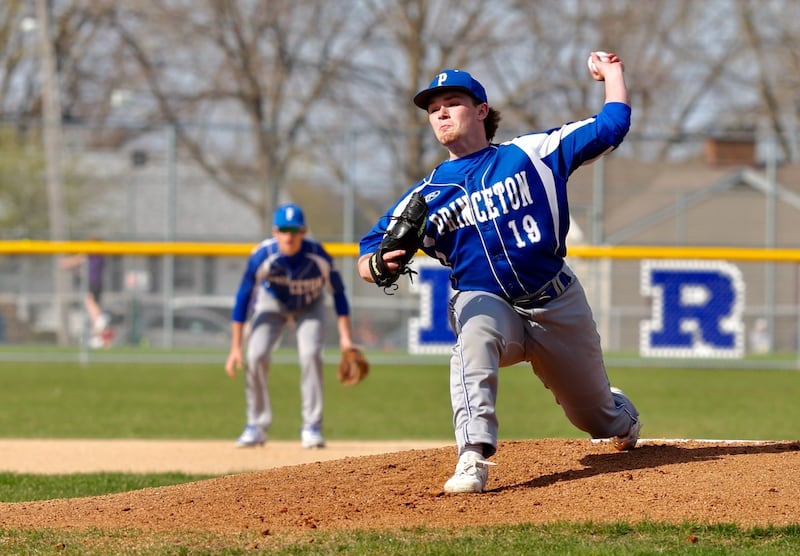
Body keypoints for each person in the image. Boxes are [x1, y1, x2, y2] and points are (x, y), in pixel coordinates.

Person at [357, 54, 641, 493]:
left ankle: (618, 412)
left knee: (597, 419)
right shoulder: (424, 195)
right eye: (434, 109)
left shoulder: (531, 155)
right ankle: (472, 456)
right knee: (472, 335)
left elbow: (611, 125)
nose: (442, 113)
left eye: (453, 102)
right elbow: (369, 253)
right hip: (485, 301)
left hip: (555, 302)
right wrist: (375, 266)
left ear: (482, 111)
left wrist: (614, 75)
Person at [225, 203, 356, 449]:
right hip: (271, 303)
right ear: (275, 232)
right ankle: (256, 425)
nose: (289, 236)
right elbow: (242, 299)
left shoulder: (318, 256)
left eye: (294, 230)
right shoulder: (262, 256)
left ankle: (312, 426)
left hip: (310, 305)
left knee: (311, 355)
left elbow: (339, 294)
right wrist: (235, 347)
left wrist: (345, 338)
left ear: (304, 232)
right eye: (283, 230)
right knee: (255, 355)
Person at [60, 240, 110, 348]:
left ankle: (100, 319)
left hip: (93, 283)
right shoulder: (100, 256)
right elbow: (84, 269)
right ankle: (100, 338)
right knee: (93, 307)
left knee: (89, 302)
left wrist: (66, 263)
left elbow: (76, 260)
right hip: (97, 283)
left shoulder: (92, 252)